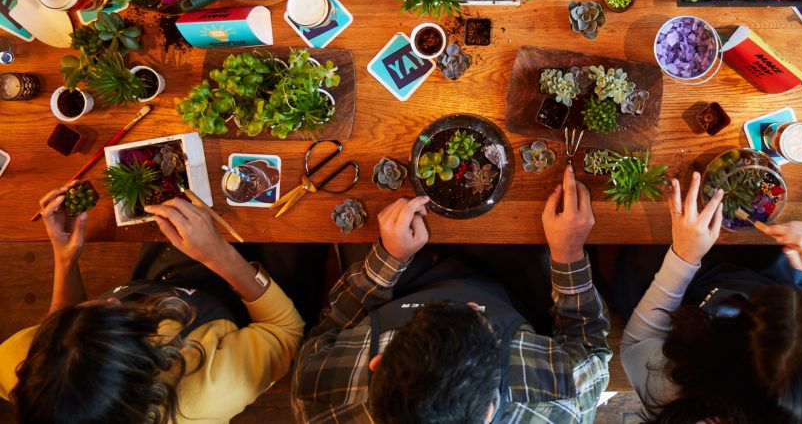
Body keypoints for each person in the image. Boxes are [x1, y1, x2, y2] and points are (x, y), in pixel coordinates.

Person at [292, 165, 611, 423]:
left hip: (403, 282)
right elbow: (588, 345)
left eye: (420, 319)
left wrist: (388, 260)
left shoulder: (317, 393)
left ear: (377, 363)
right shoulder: (561, 400)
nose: (470, 304)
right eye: (481, 321)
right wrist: (568, 252)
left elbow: (331, 328)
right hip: (516, 292)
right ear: (489, 412)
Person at [0, 182, 305, 423]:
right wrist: (218, 255)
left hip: (167, 282)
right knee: (301, 221)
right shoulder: (211, 392)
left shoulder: (22, 367)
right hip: (254, 313)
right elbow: (285, 329)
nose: (113, 301)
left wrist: (66, 260)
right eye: (117, 318)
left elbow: (66, 328)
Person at [620, 173, 802, 423]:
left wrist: (683, 258)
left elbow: (636, 343)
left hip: (690, 308)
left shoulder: (679, 393)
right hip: (773, 282)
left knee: (641, 244)